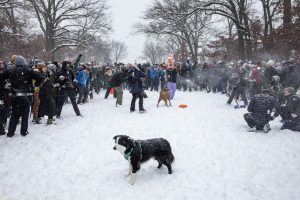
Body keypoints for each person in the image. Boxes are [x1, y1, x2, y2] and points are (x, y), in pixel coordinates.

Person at [0, 56, 43, 137]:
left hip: (16, 96)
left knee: (14, 115)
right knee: (25, 115)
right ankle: (23, 132)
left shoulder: (11, 70)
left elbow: (1, 77)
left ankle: (10, 133)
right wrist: (35, 86)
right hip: (27, 96)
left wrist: (6, 85)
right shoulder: (29, 71)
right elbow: (40, 78)